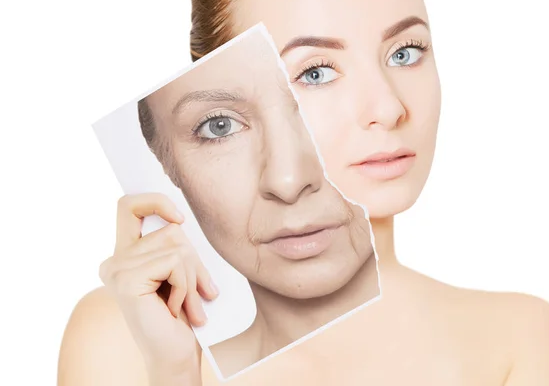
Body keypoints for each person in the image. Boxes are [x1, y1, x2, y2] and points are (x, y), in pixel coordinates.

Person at [58, 0, 549, 385]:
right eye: (317, 73)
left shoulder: (516, 338)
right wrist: (173, 375)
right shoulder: (122, 337)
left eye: (404, 52)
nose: (390, 108)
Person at [58, 26, 378, 383]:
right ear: (169, 167)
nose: (287, 182)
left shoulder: (453, 336)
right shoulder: (121, 344)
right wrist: (175, 372)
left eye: (316, 79)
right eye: (219, 126)